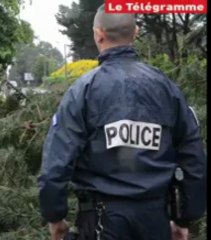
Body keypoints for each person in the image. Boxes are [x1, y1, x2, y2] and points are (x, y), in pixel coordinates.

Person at [38, 5, 206, 240]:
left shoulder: (83, 92)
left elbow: (56, 165)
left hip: (102, 223)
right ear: (136, 32)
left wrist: (55, 216)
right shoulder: (167, 89)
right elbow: (194, 157)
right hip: (155, 220)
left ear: (98, 34)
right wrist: (184, 218)